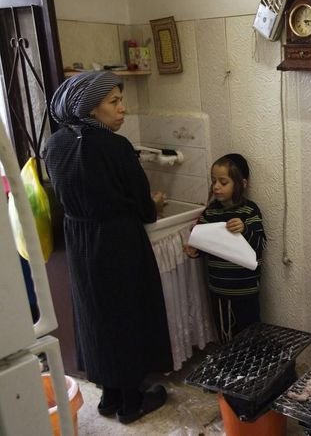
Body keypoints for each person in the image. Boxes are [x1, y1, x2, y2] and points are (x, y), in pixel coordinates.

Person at [43, 71, 172, 424]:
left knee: (95, 316)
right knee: (127, 313)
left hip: (80, 243)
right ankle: (132, 402)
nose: (123, 109)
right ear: (90, 108)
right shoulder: (116, 147)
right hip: (118, 241)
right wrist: (154, 203)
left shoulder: (54, 146)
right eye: (114, 102)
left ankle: (109, 397)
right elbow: (143, 208)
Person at [184, 153, 266, 342]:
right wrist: (194, 251)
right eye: (214, 181)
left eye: (223, 182)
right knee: (225, 334)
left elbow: (259, 245)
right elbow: (204, 246)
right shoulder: (210, 212)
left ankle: (254, 368)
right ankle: (230, 368)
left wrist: (244, 229)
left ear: (242, 184)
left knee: (251, 333)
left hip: (246, 289)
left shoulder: (249, 211)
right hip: (219, 289)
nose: (216, 187)